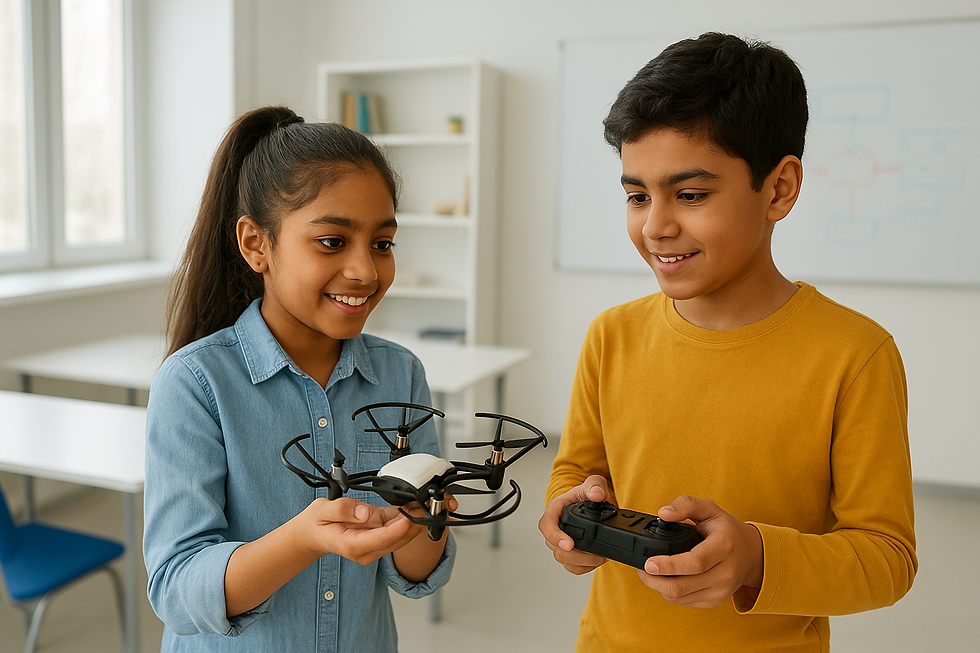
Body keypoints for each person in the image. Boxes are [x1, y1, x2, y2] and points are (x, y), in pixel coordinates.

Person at [538, 32, 916, 652]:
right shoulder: (612, 335)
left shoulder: (856, 355)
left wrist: (756, 559)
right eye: (637, 196)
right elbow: (579, 470)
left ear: (779, 189)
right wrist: (569, 516)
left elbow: (887, 558)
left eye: (690, 195)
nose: (656, 226)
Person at [143, 106, 455, 652]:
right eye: (332, 241)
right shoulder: (195, 382)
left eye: (383, 243)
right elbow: (175, 588)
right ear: (256, 244)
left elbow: (417, 575)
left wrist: (421, 521)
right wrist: (303, 540)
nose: (365, 271)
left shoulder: (401, 374)